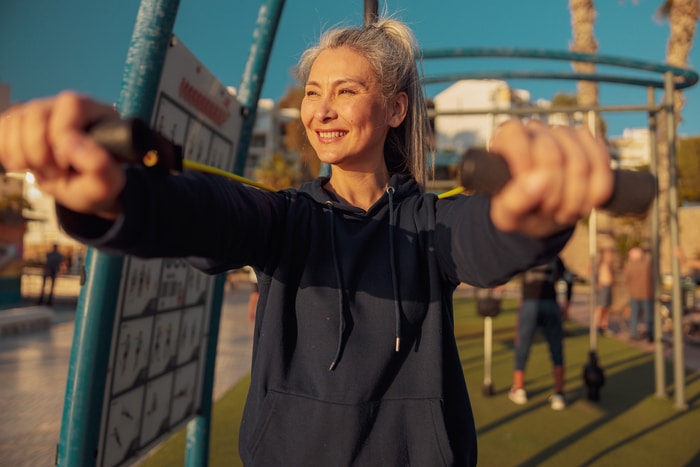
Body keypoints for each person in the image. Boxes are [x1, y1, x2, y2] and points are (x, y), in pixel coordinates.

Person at [0, 17, 614, 467]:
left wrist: (532, 215)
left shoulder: (431, 219)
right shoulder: (285, 218)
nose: (322, 111)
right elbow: (207, 212)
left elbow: (483, 240)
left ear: (395, 109)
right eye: (314, 95)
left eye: (346, 91)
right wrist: (111, 194)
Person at [509, 256, 569, 410]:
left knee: (522, 346)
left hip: (530, 304)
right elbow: (567, 280)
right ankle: (559, 394)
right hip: (549, 304)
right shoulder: (554, 255)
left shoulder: (527, 251)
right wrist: (566, 303)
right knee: (556, 349)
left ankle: (519, 389)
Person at [622, 247, 654, 341]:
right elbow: (652, 278)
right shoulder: (647, 265)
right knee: (648, 316)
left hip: (634, 294)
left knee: (634, 315)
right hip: (647, 293)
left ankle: (634, 334)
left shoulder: (629, 266)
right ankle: (650, 335)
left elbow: (625, 280)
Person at [594, 248, 615, 335]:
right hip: (603, 287)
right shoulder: (601, 264)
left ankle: (604, 326)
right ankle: (596, 326)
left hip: (608, 287)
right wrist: (597, 283)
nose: (610, 256)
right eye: (608, 255)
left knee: (606, 308)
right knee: (600, 307)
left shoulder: (610, 265)